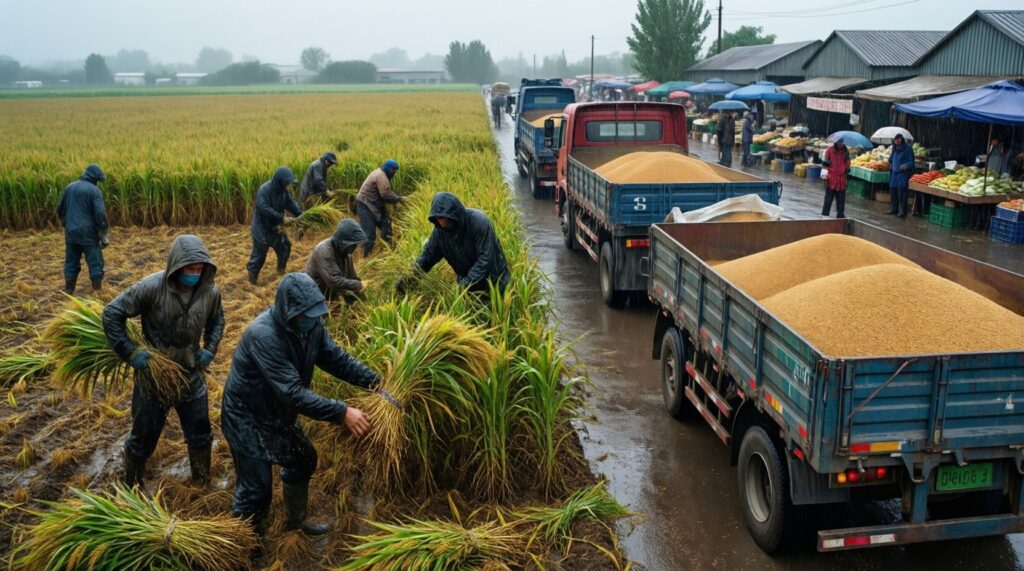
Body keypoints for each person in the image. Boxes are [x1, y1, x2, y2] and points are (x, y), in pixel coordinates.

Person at [221, 273, 380, 536]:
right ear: (289, 311)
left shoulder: (312, 328)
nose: (314, 319)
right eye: (307, 314)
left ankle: (295, 524)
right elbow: (293, 393)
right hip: (247, 418)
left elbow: (336, 359)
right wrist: (341, 412)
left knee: (303, 459)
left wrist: (373, 381)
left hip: (279, 413)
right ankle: (247, 546)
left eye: (316, 313)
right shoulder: (264, 335)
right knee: (256, 490)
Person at [102, 235, 224, 488]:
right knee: (142, 438)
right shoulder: (151, 287)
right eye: (190, 269)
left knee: (200, 435)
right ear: (177, 266)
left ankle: (201, 482)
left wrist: (210, 350)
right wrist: (130, 352)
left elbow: (217, 321)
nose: (195, 274)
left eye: (200, 269)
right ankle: (131, 484)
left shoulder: (210, 291)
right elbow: (112, 313)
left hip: (191, 374)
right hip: (154, 377)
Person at [400, 192, 510, 297]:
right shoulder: (440, 232)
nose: (441, 223)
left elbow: (485, 260)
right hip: (467, 286)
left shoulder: (480, 223)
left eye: (444, 218)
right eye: (438, 219)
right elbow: (428, 256)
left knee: (496, 313)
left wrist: (464, 284)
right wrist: (409, 278)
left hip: (494, 283)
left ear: (455, 215)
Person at [57, 164, 109, 294]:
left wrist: (66, 224)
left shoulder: (69, 187)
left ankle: (69, 291)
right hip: (88, 233)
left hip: (71, 233)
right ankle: (98, 292)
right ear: (95, 179)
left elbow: (60, 209)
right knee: (95, 262)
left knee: (71, 262)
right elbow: (100, 213)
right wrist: (103, 232)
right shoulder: (94, 191)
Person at [247, 167, 301, 285]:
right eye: (286, 182)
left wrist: (302, 215)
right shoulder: (264, 190)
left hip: (275, 227)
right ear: (279, 181)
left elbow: (291, 204)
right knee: (259, 254)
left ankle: (280, 272)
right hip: (261, 227)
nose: (287, 185)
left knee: (285, 247)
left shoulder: (284, 192)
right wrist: (282, 218)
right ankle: (252, 280)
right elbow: (263, 208)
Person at [304, 219, 367, 302]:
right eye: (353, 244)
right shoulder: (324, 250)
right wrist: (359, 285)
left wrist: (362, 300)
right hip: (314, 296)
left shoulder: (346, 255)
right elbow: (334, 280)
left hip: (330, 294)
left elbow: (351, 278)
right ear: (344, 242)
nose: (355, 247)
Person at [355, 160, 405, 256]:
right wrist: (399, 199)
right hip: (365, 205)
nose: (394, 173)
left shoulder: (382, 174)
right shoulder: (381, 176)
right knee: (369, 234)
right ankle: (365, 256)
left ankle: (390, 249)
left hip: (375, 204)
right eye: (393, 171)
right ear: (388, 169)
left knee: (386, 225)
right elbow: (386, 194)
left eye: (395, 171)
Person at [821, 140, 851, 219]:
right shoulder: (830, 151)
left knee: (841, 201)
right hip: (831, 178)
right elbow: (825, 164)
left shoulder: (846, 152)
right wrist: (825, 174)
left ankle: (840, 217)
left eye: (842, 143)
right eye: (840, 143)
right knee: (828, 199)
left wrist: (846, 170)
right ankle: (825, 216)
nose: (841, 144)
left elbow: (848, 164)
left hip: (841, 180)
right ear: (836, 143)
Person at [887, 134, 915, 218]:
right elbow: (891, 158)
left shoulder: (908, 149)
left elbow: (911, 163)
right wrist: (890, 162)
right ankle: (893, 209)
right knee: (893, 191)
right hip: (894, 173)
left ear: (901, 139)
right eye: (895, 140)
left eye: (898, 139)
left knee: (902, 193)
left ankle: (902, 211)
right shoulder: (894, 147)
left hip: (902, 174)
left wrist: (905, 165)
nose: (897, 141)